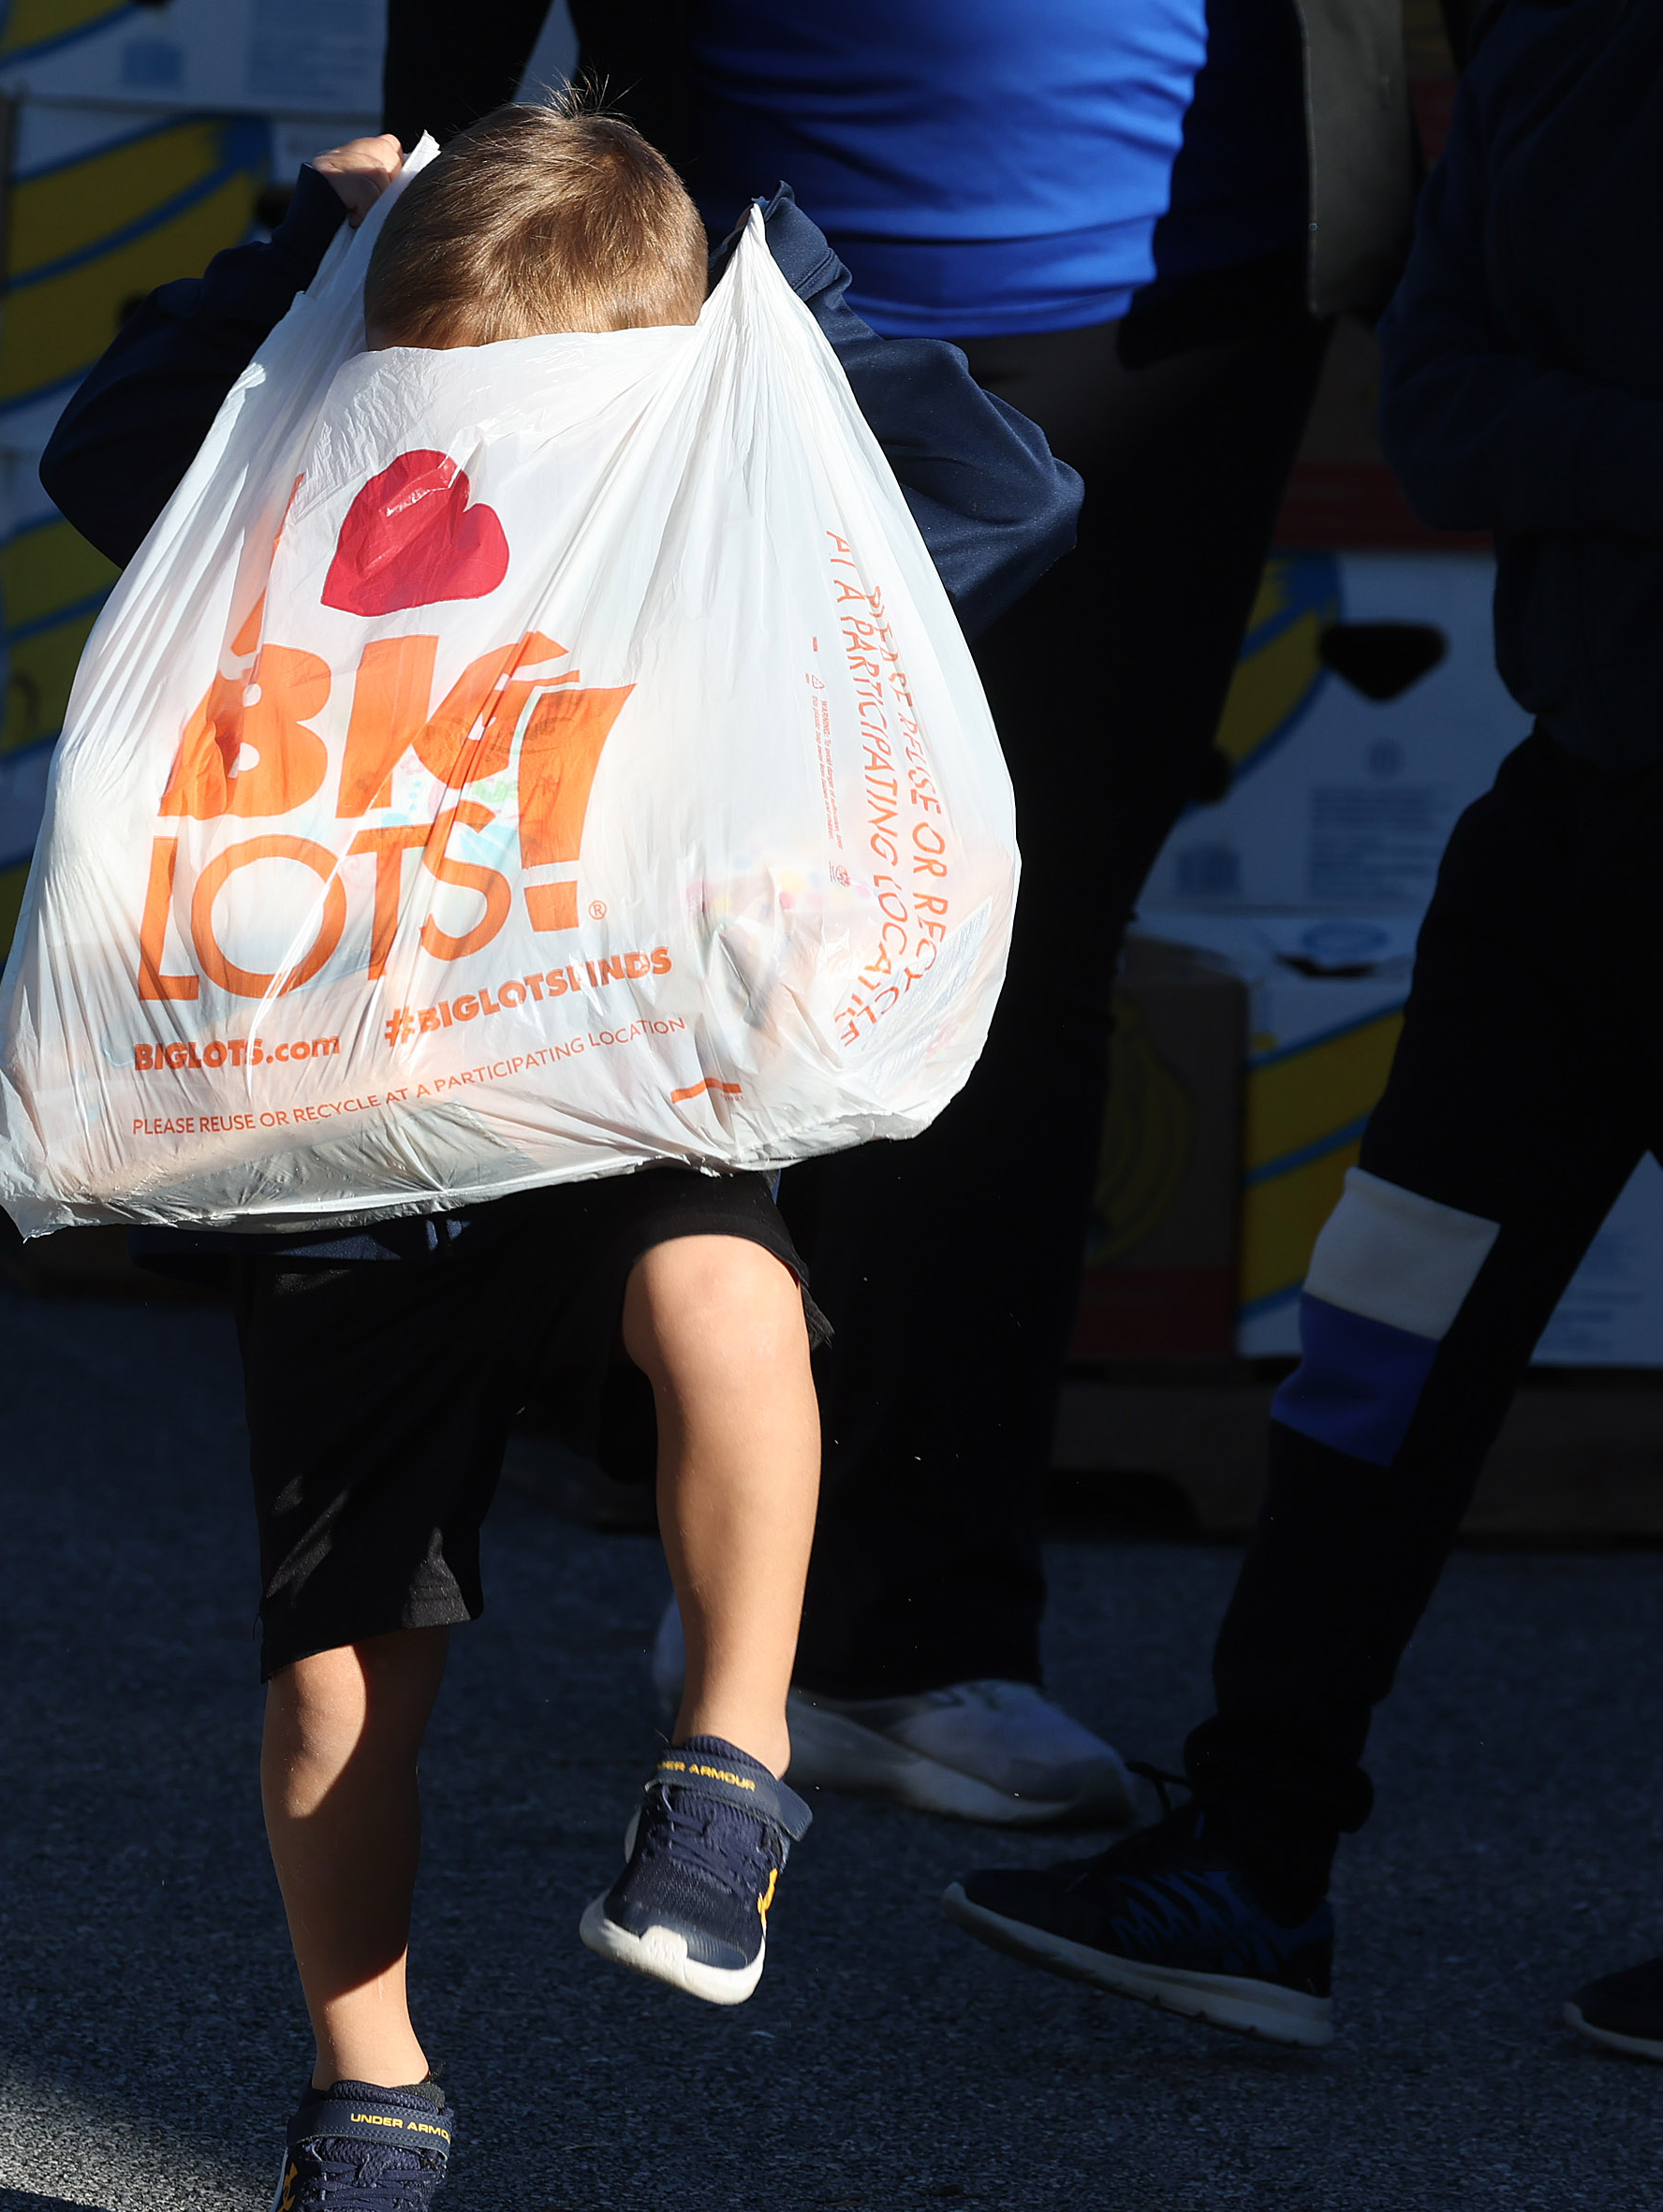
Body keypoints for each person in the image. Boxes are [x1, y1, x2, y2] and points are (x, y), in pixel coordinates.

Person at [37, 101, 1076, 2212]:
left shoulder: (729, 497)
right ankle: (370, 2102)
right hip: (350, 1142)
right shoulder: (302, 471)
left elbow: (1009, 496)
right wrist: (298, 258)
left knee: (732, 1305)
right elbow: (106, 454)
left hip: (619, 1091)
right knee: (337, 1693)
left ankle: (734, 1767)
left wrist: (788, 316)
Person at [942, 0, 1663, 2067]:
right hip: (1585, 780)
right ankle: (1254, 1855)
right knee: (1384, 1316)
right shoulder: (1519, 48)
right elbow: (1434, 405)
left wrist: (1643, 469)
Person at [390, 1, 1408, 1833]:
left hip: (1174, 296)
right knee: (709, 921)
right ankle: (747, 1561)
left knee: (1011, 963)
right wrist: (435, 188)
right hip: (750, 279)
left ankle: (891, 1636)